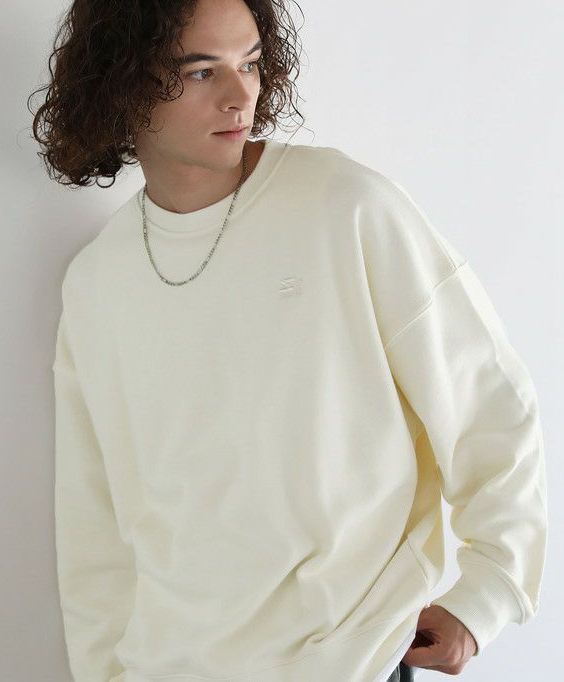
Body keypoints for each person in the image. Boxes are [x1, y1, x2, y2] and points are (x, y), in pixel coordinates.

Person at [30, 0, 548, 681]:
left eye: (249, 63)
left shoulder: (344, 207)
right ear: (121, 81)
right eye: (201, 71)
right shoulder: (98, 283)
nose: (240, 95)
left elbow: (490, 407)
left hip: (350, 658)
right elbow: (94, 528)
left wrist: (487, 596)